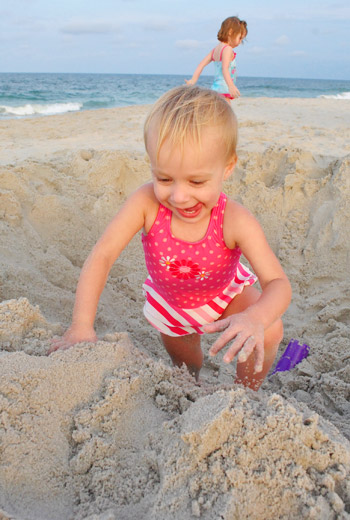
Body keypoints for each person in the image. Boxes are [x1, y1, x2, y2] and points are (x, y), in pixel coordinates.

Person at [49, 86, 291, 390]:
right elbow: (103, 254)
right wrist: (81, 325)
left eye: (196, 181)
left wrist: (256, 316)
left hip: (224, 294)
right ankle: (190, 388)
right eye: (164, 178)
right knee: (187, 367)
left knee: (270, 329)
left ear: (227, 167)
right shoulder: (146, 203)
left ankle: (247, 393)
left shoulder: (234, 220)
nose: (179, 196)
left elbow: (278, 285)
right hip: (172, 304)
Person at [185, 16, 247, 101]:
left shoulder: (215, 50)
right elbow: (224, 69)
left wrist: (193, 80)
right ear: (230, 32)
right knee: (227, 112)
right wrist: (231, 86)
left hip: (216, 89)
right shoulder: (227, 49)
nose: (240, 42)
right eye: (240, 38)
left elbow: (201, 64)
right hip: (224, 89)